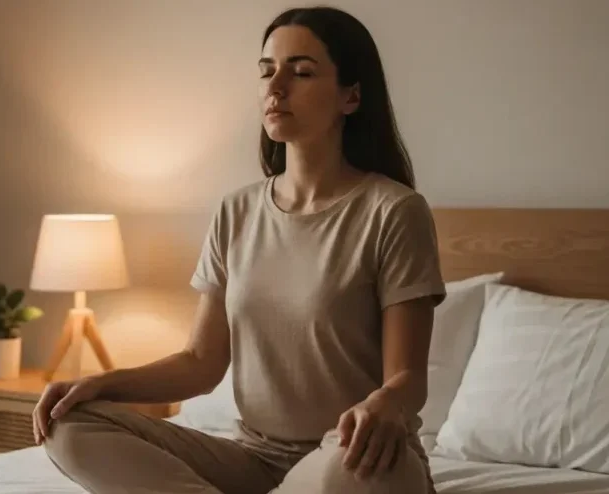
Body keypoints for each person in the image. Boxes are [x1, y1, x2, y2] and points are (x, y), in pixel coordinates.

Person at [33, 6, 446, 494]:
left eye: (301, 72)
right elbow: (200, 363)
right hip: (252, 459)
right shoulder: (237, 211)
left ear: (351, 96)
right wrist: (102, 384)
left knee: (351, 474)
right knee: (68, 425)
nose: (276, 87)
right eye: (267, 71)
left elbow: (407, 379)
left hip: (350, 456)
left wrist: (385, 404)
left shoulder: (394, 211)